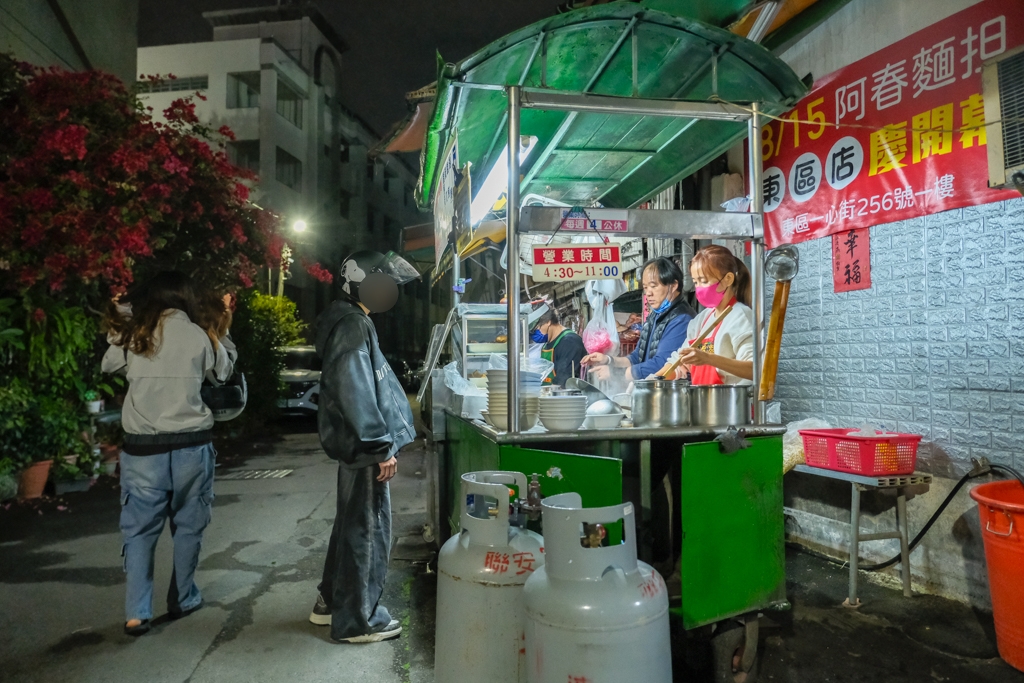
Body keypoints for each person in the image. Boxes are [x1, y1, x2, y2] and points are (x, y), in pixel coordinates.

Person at [101, 272, 236, 636]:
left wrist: (123, 313)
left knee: (140, 530)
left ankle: (136, 612)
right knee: (190, 526)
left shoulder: (136, 333)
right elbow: (223, 372)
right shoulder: (197, 332)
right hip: (192, 444)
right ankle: (183, 597)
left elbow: (108, 365)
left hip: (143, 448)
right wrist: (221, 322)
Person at [309, 250, 420, 643]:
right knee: (367, 530)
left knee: (351, 526)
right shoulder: (353, 325)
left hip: (357, 448)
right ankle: (357, 621)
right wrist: (379, 446)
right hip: (364, 449)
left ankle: (330, 602)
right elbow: (354, 387)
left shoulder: (352, 321)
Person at [581, 257, 695, 383]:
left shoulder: (682, 319)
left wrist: (617, 373)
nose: (648, 293)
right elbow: (636, 357)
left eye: (653, 286)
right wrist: (608, 360)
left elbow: (663, 363)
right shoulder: (655, 316)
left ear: (673, 286)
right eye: (645, 288)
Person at [667, 245, 754, 384]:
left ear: (728, 279)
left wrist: (708, 359)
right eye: (696, 282)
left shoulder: (741, 316)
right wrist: (650, 381)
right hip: (703, 402)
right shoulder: (701, 320)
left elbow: (754, 369)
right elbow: (678, 362)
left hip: (732, 403)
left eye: (704, 281)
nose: (699, 288)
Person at [531, 308, 586, 387]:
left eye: (536, 329)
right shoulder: (547, 344)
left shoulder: (570, 342)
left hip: (564, 397)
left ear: (548, 322)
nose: (534, 334)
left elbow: (562, 381)